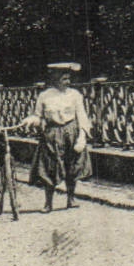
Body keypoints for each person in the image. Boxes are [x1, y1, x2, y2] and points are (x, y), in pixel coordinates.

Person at [26, 61, 92, 212]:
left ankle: (71, 199)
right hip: (52, 134)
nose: (67, 82)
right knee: (50, 167)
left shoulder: (75, 95)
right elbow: (38, 115)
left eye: (68, 78)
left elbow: (82, 116)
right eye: (64, 79)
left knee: (72, 165)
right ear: (55, 79)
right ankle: (48, 203)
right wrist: (32, 120)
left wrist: (82, 137)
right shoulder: (45, 96)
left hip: (71, 132)